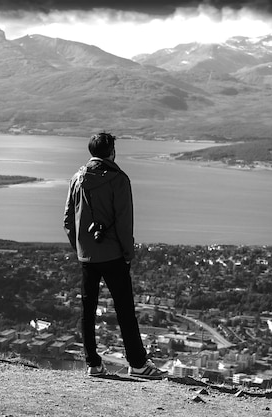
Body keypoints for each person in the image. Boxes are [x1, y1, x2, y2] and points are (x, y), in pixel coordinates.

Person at [63, 132, 166, 379]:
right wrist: (127, 253)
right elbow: (124, 223)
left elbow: (68, 220)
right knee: (124, 309)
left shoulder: (77, 178)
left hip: (87, 256)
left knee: (87, 310)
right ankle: (138, 364)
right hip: (113, 256)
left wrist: (80, 248)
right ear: (111, 152)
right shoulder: (118, 179)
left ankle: (93, 364)